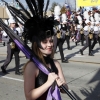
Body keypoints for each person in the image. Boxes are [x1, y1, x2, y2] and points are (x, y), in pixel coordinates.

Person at [23, 14, 68, 100]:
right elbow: (29, 96)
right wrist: (48, 82)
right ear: (36, 44)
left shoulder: (55, 63)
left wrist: (62, 86)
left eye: (51, 41)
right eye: (45, 42)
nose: (50, 45)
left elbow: (65, 89)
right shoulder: (31, 66)